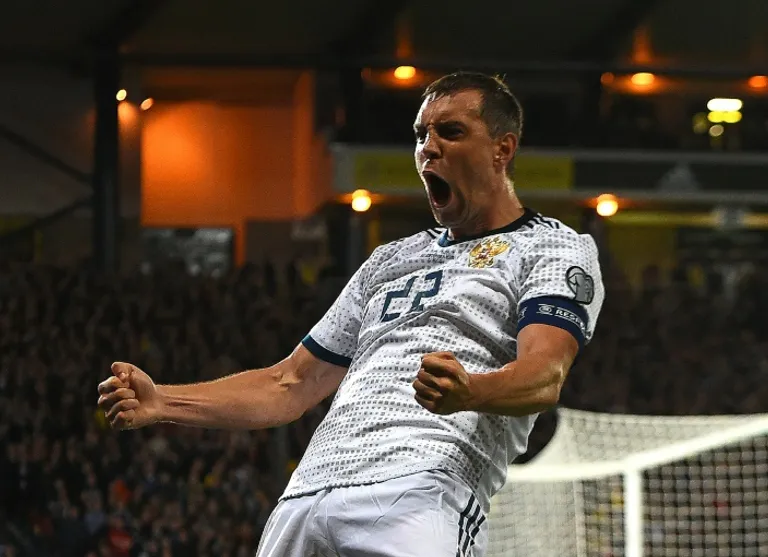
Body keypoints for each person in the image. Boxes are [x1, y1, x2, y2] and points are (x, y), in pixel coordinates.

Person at [97, 71, 605, 557]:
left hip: (422, 486)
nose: (428, 147)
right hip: (306, 494)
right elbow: (289, 383)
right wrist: (164, 401)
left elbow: (544, 376)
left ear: (502, 149)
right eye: (420, 135)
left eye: (451, 132)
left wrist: (471, 391)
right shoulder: (389, 260)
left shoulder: (552, 248)